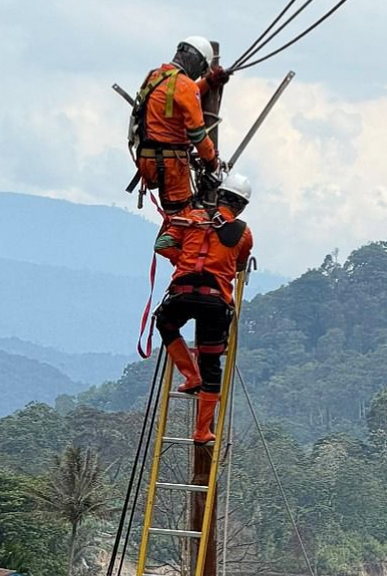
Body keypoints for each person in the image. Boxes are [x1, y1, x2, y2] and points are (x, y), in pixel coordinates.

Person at [153, 171, 253, 444]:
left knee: (166, 322)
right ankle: (201, 431)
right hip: (215, 300)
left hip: (183, 292)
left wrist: (182, 258)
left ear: (218, 195)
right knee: (211, 362)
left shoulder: (192, 218)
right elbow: (240, 265)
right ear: (242, 206)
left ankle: (190, 374)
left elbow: (162, 244)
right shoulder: (244, 233)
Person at [132, 36, 230, 213]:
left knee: (177, 217)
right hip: (170, 164)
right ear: (198, 63)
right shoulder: (185, 86)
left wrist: (209, 82)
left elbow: (183, 96)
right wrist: (213, 165)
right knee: (183, 220)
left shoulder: (155, 76)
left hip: (148, 158)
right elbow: (198, 135)